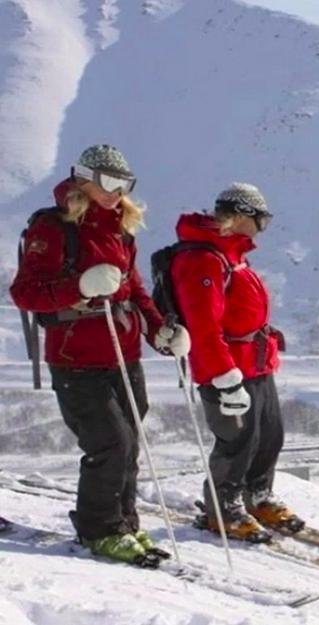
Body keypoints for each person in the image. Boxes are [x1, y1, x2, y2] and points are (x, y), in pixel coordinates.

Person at [9, 144, 190, 565]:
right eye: (107, 182)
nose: (115, 192)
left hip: (123, 356)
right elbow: (25, 293)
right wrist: (81, 287)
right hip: (76, 358)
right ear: (83, 179)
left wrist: (160, 331)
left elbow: (136, 291)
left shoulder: (120, 229)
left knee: (130, 443)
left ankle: (125, 523)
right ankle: (99, 529)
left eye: (123, 184)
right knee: (110, 442)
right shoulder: (53, 227)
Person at [170, 182, 299, 542]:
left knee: (268, 436)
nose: (263, 227)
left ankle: (257, 495)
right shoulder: (203, 259)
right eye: (262, 219)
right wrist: (224, 376)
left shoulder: (232, 254)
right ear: (242, 215)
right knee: (236, 442)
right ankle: (223, 509)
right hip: (227, 369)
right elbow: (203, 325)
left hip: (255, 363)